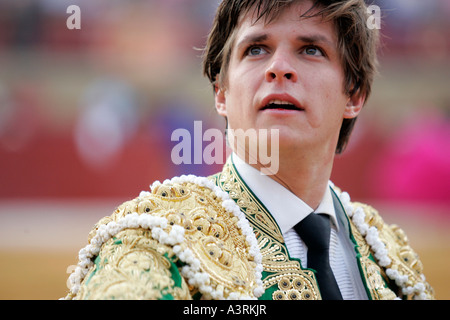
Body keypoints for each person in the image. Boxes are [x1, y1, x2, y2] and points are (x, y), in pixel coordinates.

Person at [63, 0, 434, 300]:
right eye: (257, 49)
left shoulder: (390, 259)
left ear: (353, 95)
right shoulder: (155, 243)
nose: (279, 68)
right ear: (221, 94)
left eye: (311, 49)